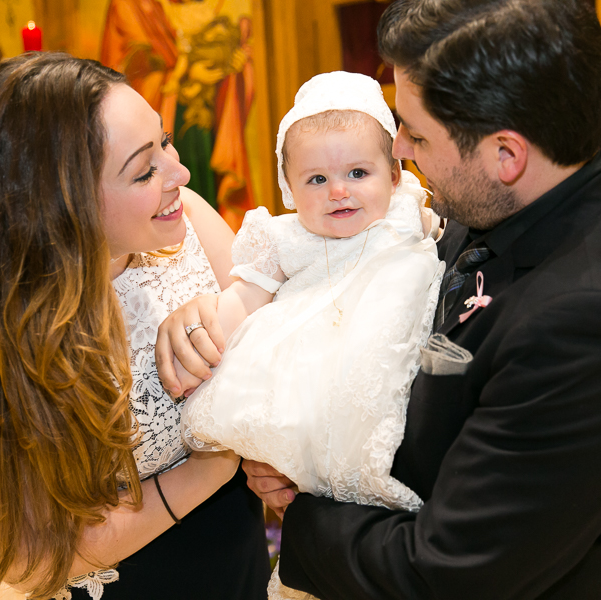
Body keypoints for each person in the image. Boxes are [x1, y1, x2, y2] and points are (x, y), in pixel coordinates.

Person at [158, 0, 601, 598]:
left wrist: (303, 512)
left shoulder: (590, 325)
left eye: (417, 133)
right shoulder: (492, 207)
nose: (399, 149)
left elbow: (448, 573)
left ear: (506, 155)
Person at [0, 52, 269, 600]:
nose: (181, 174)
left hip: (239, 567)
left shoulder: (187, 218)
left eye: (164, 142)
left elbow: (276, 357)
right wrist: (211, 470)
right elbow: (36, 554)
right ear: (60, 202)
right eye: (144, 170)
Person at [172, 70, 443, 598]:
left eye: (358, 172)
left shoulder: (414, 217)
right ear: (289, 188)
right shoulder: (285, 238)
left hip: (390, 386)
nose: (338, 191)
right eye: (315, 180)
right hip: (311, 390)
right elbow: (242, 304)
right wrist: (202, 335)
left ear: (395, 173)